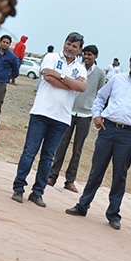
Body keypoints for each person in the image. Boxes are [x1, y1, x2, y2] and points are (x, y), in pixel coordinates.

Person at [66, 50, 131, 230]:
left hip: (129, 135)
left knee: (120, 175)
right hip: (108, 129)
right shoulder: (117, 79)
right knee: (96, 170)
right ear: (130, 62)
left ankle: (113, 214)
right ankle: (82, 206)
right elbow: (101, 97)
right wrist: (97, 115)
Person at [11, 33, 86, 205]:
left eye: (75, 46)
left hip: (61, 119)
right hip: (41, 113)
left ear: (79, 49)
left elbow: (81, 87)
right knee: (29, 152)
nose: (70, 48)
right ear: (64, 43)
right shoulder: (51, 57)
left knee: (48, 157)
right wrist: (70, 83)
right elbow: (47, 78)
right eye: (68, 44)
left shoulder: (80, 68)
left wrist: (60, 76)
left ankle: (37, 192)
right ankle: (18, 187)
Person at [48, 44, 106, 192]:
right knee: (61, 145)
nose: (87, 57)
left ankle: (70, 180)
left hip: (85, 115)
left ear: (96, 57)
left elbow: (100, 94)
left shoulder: (100, 74)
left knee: (77, 149)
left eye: (90, 55)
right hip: (68, 111)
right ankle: (52, 176)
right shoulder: (77, 68)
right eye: (85, 54)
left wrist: (97, 113)